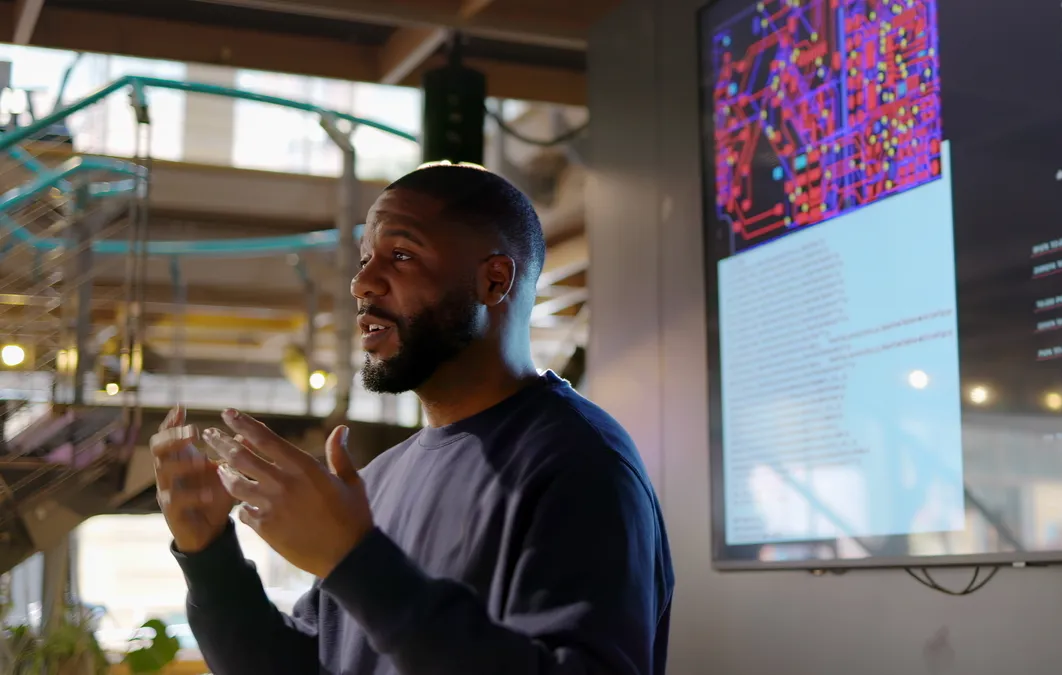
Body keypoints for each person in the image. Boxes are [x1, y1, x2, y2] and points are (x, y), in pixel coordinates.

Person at [149, 163, 674, 675]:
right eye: (363, 261)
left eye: (400, 256)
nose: (362, 285)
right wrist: (210, 556)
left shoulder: (582, 464)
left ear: (493, 281)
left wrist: (355, 562)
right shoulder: (377, 479)